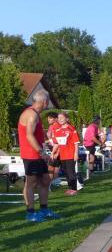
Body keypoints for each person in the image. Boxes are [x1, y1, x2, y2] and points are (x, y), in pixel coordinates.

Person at [17, 90, 58, 222]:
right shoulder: (31, 115)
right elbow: (29, 136)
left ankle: (44, 210)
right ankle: (30, 213)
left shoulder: (35, 114)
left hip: (37, 155)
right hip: (31, 155)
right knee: (31, 183)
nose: (48, 104)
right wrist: (42, 152)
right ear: (44, 102)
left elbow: (37, 134)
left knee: (45, 181)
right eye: (48, 101)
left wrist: (45, 148)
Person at [51, 112, 81, 196]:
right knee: (66, 173)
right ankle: (70, 188)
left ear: (67, 119)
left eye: (62, 118)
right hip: (63, 155)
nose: (60, 119)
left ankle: (74, 189)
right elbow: (57, 144)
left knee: (71, 172)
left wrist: (76, 153)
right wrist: (53, 152)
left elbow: (76, 143)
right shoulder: (58, 130)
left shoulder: (71, 129)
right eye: (58, 118)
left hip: (71, 154)